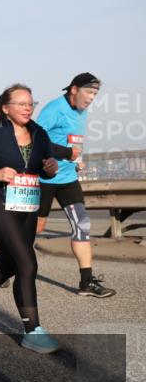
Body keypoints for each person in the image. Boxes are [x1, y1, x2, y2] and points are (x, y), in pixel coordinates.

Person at [0, 84, 61, 353]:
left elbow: (46, 169)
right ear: (6, 109)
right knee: (27, 263)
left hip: (27, 208)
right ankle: (33, 330)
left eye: (31, 103)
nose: (28, 107)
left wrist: (51, 168)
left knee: (10, 265)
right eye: (21, 103)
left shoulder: (40, 135)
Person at [36, 73, 115, 298]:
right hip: (44, 178)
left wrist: (77, 160)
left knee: (82, 225)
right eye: (89, 92)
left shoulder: (82, 112)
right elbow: (34, 140)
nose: (92, 98)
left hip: (68, 179)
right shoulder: (54, 109)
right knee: (36, 229)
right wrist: (66, 153)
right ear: (74, 89)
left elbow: (73, 139)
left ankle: (86, 282)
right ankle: (5, 261)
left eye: (95, 94)